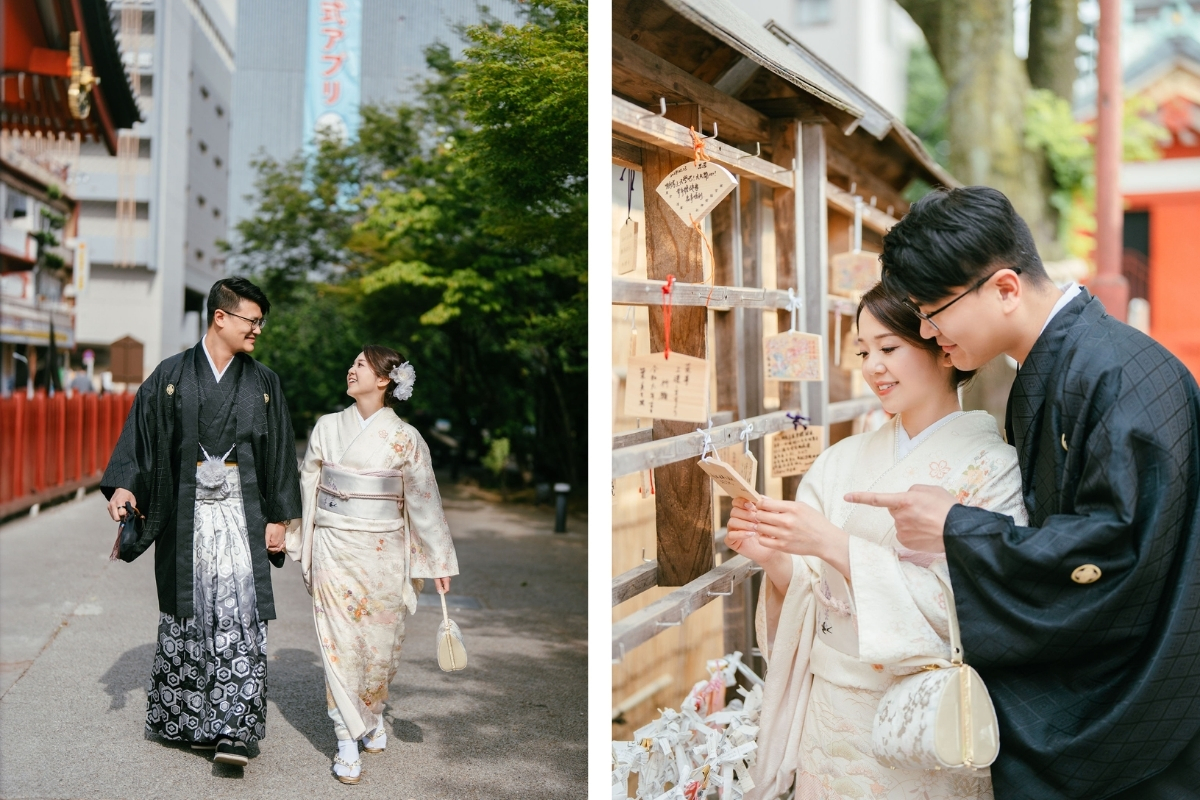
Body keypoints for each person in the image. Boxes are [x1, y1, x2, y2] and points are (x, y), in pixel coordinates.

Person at [848, 185, 1200, 798]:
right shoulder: (1070, 365)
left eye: (935, 310)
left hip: (1144, 691)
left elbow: (1115, 551)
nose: (929, 333)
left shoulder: (1114, 374)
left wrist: (958, 528)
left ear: (1005, 288)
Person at [728, 284, 1027, 800]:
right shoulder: (840, 460)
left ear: (942, 347)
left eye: (888, 348)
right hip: (829, 720)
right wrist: (777, 559)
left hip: (923, 719)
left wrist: (834, 545)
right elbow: (811, 595)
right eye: (864, 352)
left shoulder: (993, 468)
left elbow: (978, 609)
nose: (872, 367)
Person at [101, 277, 302, 767]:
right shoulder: (170, 375)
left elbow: (278, 454)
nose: (258, 329)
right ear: (220, 317)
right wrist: (126, 484)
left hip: (241, 513)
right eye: (251, 320)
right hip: (186, 514)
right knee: (189, 611)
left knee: (239, 609)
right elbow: (141, 438)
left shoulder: (264, 381)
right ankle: (190, 719)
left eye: (260, 321)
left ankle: (233, 729)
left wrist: (280, 518)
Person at [287, 345, 459, 784]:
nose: (351, 369)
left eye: (360, 365)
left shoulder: (405, 438)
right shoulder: (327, 427)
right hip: (333, 546)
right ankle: (346, 738)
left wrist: (436, 561)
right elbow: (308, 481)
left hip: (384, 551)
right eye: (353, 363)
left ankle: (373, 712)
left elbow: (422, 501)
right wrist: (299, 536)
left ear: (384, 380)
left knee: (382, 644)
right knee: (338, 640)